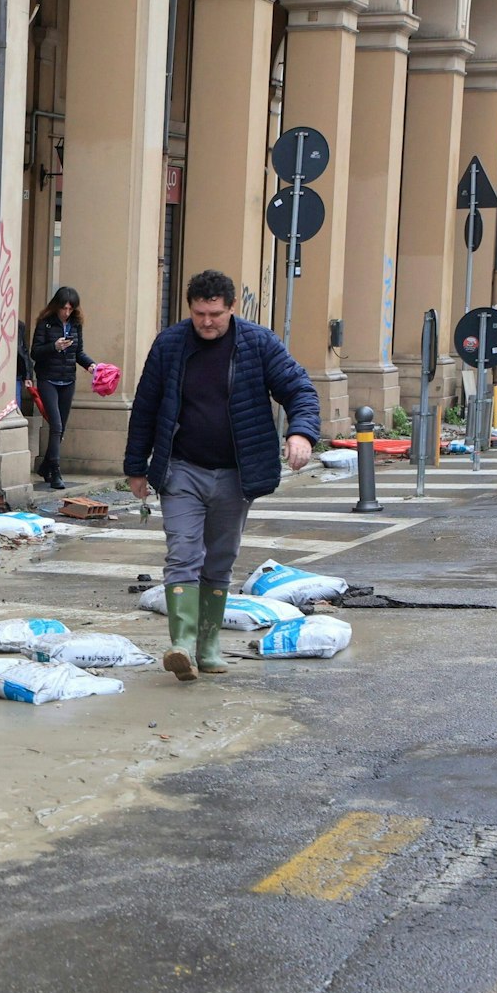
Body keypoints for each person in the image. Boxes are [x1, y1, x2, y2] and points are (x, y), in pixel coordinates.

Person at [125, 270, 320, 683]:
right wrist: (135, 466)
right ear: (189, 309)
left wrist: (301, 433)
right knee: (182, 553)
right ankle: (182, 645)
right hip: (182, 468)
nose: (207, 322)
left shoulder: (257, 344)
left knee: (220, 559)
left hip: (236, 472)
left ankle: (209, 645)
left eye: (215, 313)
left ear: (232, 308)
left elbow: (299, 388)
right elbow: (146, 405)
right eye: (199, 314)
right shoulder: (170, 345)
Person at [27, 286, 97, 491]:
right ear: (56, 306)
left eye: (70, 309)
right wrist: (54, 347)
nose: (66, 312)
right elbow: (35, 352)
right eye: (63, 308)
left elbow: (79, 352)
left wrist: (91, 365)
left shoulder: (76, 325)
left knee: (62, 426)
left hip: (68, 379)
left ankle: (45, 466)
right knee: (56, 425)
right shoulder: (45, 323)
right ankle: (55, 470)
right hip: (48, 379)